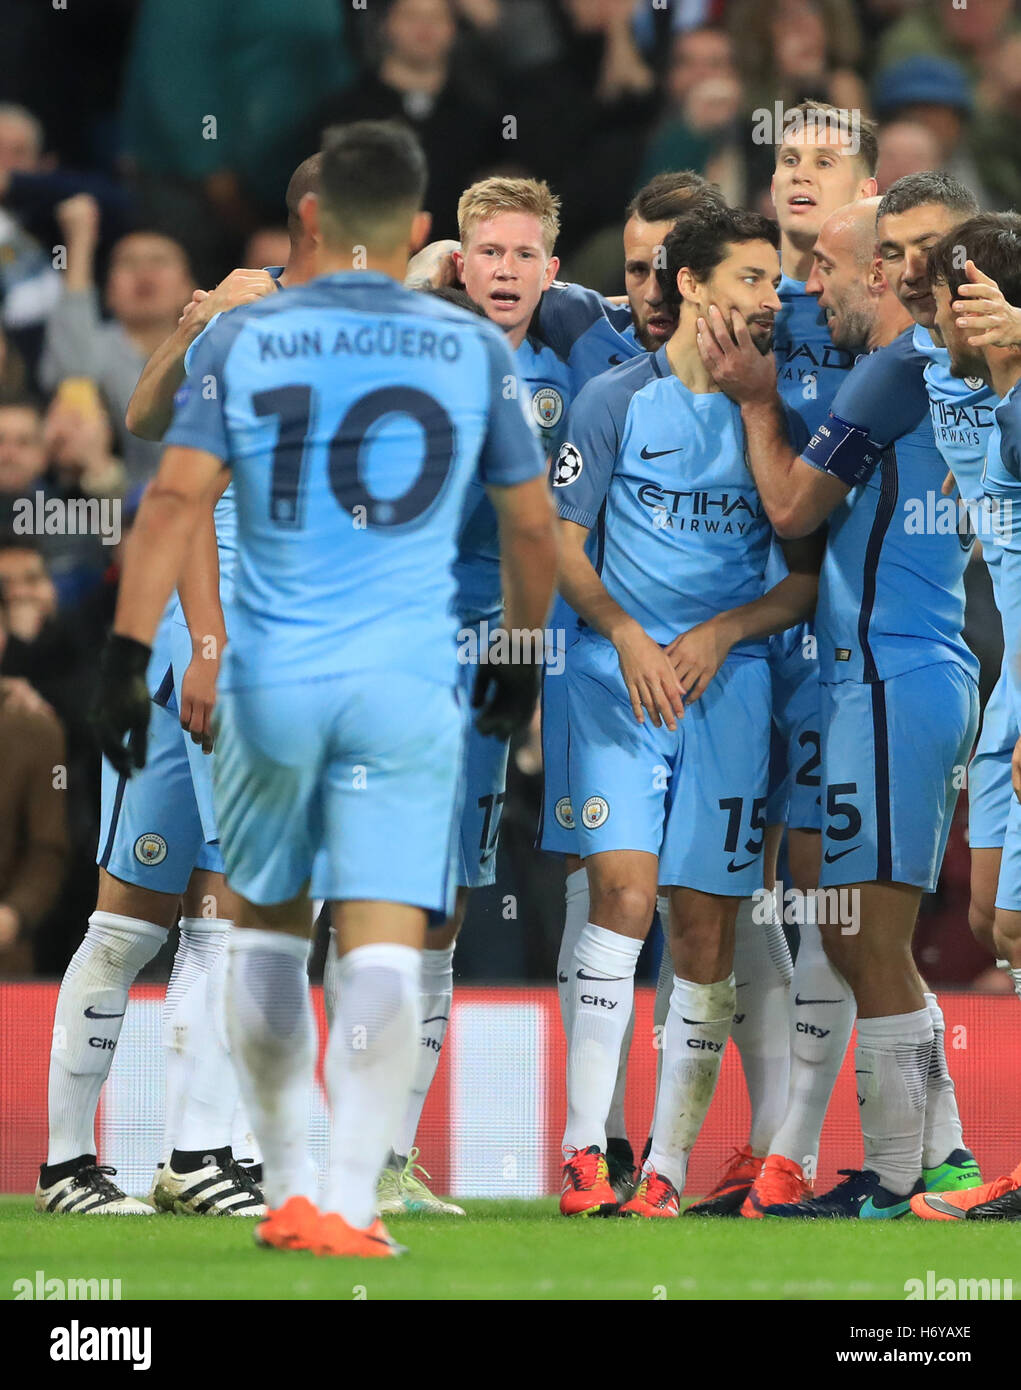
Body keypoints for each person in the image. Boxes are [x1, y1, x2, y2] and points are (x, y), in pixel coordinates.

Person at [93, 120, 558, 1258]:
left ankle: (287, 1181)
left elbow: (170, 499)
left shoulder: (247, 339)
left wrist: (120, 654)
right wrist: (516, 656)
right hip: (407, 676)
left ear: (308, 220)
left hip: (270, 671)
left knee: (257, 936)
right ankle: (350, 1199)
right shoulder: (470, 354)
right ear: (414, 232)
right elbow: (529, 522)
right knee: (387, 943)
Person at [698, 193, 979, 1219]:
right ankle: (909, 1168)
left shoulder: (896, 368)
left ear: (882, 272)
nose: (808, 289)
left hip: (893, 672)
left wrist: (755, 400)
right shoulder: (932, 368)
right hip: (886, 672)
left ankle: (921, 1171)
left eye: (825, 267)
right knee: (861, 933)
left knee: (868, 935)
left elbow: (790, 507)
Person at [551, 205, 818, 1218]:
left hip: (728, 688)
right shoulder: (616, 401)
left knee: (704, 926)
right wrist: (623, 632)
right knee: (622, 895)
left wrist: (723, 632)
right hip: (616, 683)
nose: (771, 295)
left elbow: (800, 581)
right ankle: (584, 1151)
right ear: (694, 286)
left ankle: (661, 1171)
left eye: (776, 278)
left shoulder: (782, 416)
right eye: (751, 276)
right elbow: (565, 545)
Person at [375, 175, 572, 1216]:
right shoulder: (414, 345)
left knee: (445, 903)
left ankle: (387, 1153)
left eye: (522, 253)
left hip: (492, 658)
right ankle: (290, 1144)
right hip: (402, 653)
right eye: (486, 251)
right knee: (356, 897)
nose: (504, 269)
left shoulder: (580, 356)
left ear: (550, 266)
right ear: (457, 259)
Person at [730, 101, 878, 1219]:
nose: (798, 175)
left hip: (847, 638)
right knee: (739, 889)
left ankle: (797, 1145)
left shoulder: (884, 324)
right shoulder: (744, 307)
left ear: (868, 190)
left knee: (831, 890)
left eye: (824, 162)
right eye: (787, 157)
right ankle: (770, 1139)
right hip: (743, 645)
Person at [906, 213, 1021, 1222]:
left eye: (945, 288)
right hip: (1005, 677)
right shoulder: (951, 375)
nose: (934, 304)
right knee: (993, 920)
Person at [39, 202, 197, 484]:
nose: (144, 274)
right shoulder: (97, 347)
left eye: (159, 261)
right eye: (129, 263)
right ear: (109, 292)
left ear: (188, 286)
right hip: (120, 506)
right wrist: (80, 240)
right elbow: (72, 373)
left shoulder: (212, 349)